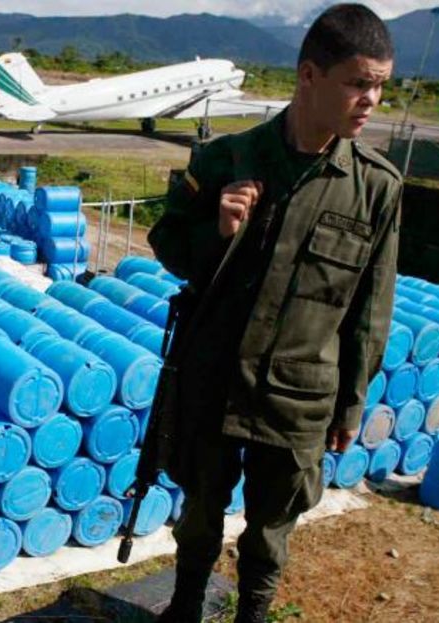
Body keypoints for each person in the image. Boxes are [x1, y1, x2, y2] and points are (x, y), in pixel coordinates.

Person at [146, 5, 401, 623]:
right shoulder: (225, 160)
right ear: (309, 75)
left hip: (298, 396)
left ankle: (252, 615)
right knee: (201, 512)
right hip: (213, 381)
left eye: (380, 87)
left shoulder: (376, 187)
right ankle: (184, 608)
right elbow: (167, 246)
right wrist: (218, 229)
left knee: (271, 530)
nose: (370, 100)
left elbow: (370, 308)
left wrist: (351, 403)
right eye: (358, 82)